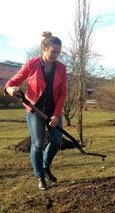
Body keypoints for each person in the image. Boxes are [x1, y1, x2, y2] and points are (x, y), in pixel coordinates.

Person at [4, 32, 67, 190]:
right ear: (44, 48)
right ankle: (40, 176)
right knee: (38, 143)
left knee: (57, 141)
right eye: (53, 51)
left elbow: (62, 93)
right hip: (34, 110)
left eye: (58, 52)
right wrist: (11, 89)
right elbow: (11, 83)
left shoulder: (61, 68)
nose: (56, 55)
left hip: (53, 111)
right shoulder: (31, 64)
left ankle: (46, 166)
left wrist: (56, 114)